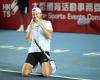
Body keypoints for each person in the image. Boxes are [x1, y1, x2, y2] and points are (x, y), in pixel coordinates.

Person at [21, 7, 54, 77]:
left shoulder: (47, 23)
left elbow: (49, 36)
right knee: (24, 73)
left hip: (44, 52)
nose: (35, 16)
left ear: (40, 14)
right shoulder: (30, 25)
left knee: (46, 75)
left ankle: (51, 65)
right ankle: (34, 64)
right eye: (33, 14)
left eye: (36, 14)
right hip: (33, 52)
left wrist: (41, 25)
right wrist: (32, 28)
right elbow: (28, 40)